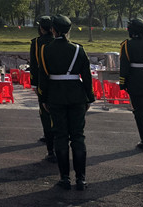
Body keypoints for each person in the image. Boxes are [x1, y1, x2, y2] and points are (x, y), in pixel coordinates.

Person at [38, 14, 95, 191]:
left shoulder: (45, 49)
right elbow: (87, 77)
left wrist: (43, 98)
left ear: (53, 30)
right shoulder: (78, 49)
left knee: (60, 136)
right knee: (78, 136)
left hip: (55, 96)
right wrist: (89, 97)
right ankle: (81, 179)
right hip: (77, 96)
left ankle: (64, 178)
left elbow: (43, 77)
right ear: (69, 30)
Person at [120, 18, 143, 150]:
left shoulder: (127, 45)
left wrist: (123, 82)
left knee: (139, 112)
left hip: (134, 81)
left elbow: (124, 65)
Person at [29, 15, 55, 162]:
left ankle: (50, 141)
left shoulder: (37, 43)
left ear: (41, 28)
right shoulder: (57, 41)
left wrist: (34, 83)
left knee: (44, 112)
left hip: (42, 81)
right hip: (58, 82)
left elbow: (34, 65)